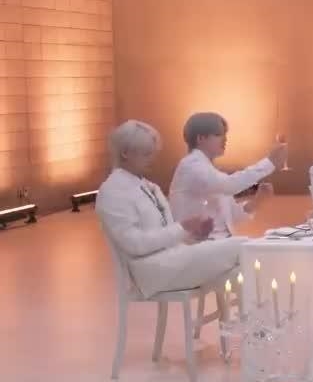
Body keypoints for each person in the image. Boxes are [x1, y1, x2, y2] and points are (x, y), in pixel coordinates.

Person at [97, 120, 246, 298]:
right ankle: (255, 311)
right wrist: (182, 227)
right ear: (125, 153)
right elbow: (134, 244)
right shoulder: (113, 191)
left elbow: (168, 234)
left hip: (173, 259)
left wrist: (193, 234)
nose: (152, 159)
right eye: (146, 154)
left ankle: (250, 313)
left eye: (153, 153)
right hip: (152, 271)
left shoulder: (149, 186)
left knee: (242, 266)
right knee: (243, 246)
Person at [169, 112, 285, 239]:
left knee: (274, 241)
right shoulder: (191, 165)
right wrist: (269, 163)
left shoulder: (210, 171)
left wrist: (258, 200)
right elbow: (229, 185)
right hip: (200, 245)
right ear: (201, 138)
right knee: (267, 245)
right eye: (219, 134)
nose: (225, 139)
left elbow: (233, 216)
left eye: (225, 134)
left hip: (220, 243)